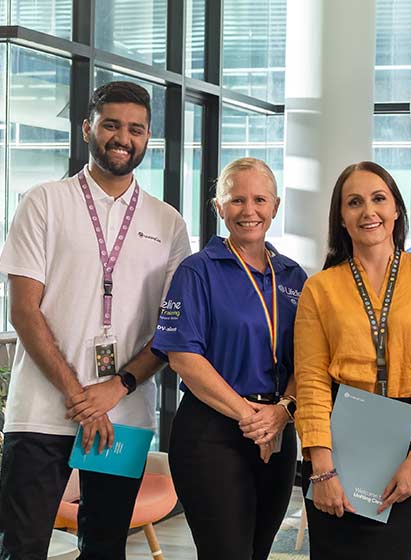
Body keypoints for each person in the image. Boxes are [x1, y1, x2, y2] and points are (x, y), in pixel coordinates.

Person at [0, 81, 191, 558]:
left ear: (148, 138)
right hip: (41, 412)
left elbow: (172, 328)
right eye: (111, 124)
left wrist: (116, 388)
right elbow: (23, 309)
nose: (122, 137)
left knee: (105, 548)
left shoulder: (169, 223)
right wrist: (79, 396)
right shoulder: (44, 202)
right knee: (20, 547)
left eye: (136, 128)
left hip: (124, 416)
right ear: (87, 128)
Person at [294, 161, 411, 560]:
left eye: (378, 198)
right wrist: (323, 469)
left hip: (409, 440)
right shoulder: (319, 288)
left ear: (396, 209)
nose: (368, 211)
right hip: (336, 439)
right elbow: (311, 380)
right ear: (341, 218)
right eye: (354, 202)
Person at [150, 157, 306, 559]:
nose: (248, 211)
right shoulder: (196, 271)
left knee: (258, 552)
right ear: (219, 207)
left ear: (275, 206)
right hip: (213, 431)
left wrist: (282, 413)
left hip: (277, 430)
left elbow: (308, 359)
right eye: (236, 200)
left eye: (259, 199)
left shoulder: (293, 277)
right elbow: (183, 357)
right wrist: (251, 417)